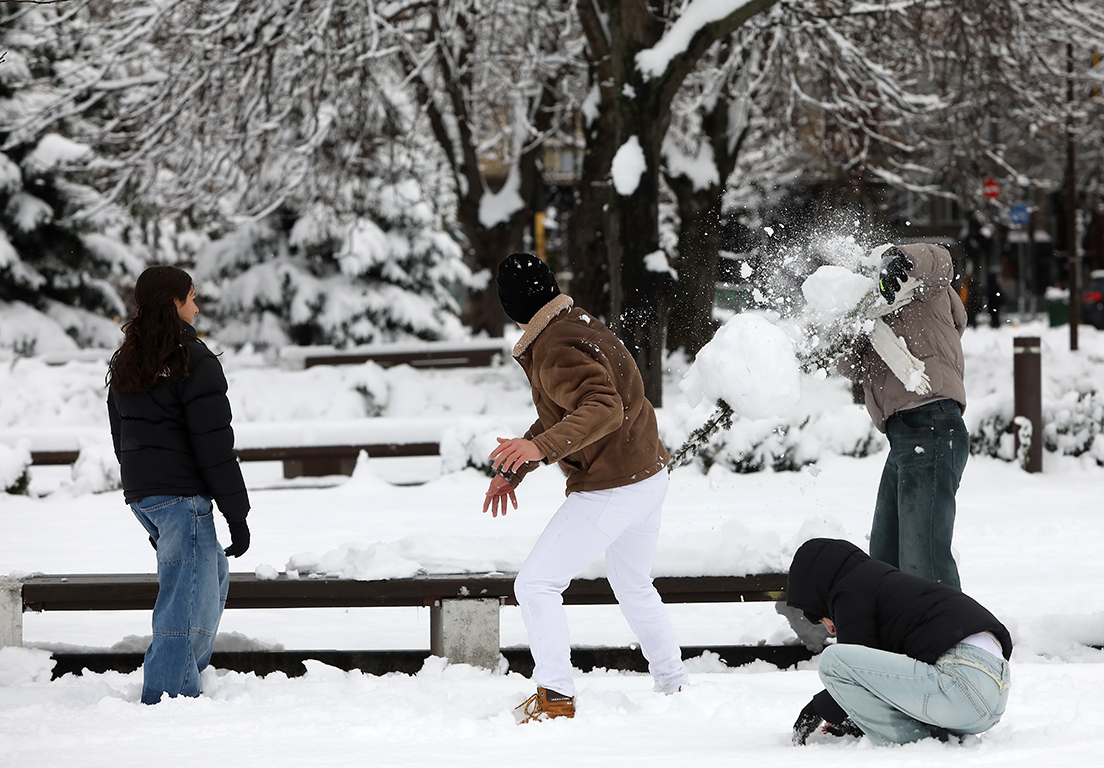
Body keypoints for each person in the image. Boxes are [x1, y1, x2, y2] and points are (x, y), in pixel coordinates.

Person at [483, 253, 688, 723]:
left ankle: (555, 696)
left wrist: (539, 450)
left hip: (613, 484)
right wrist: (518, 463)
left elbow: (603, 407)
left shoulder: (555, 346)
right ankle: (674, 685)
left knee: (535, 584)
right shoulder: (575, 321)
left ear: (511, 306)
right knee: (633, 584)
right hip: (646, 475)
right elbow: (567, 410)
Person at [107, 265, 250, 705]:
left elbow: (120, 434)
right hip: (179, 498)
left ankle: (187, 668)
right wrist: (236, 514)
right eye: (191, 296)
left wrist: (143, 494)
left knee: (211, 577)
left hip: (146, 496)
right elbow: (214, 446)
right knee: (181, 602)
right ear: (174, 302)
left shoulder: (128, 358)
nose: (197, 305)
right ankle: (169, 695)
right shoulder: (192, 359)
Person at [786, 538, 1012, 746]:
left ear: (817, 589)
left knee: (833, 661)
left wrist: (816, 708)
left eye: (822, 616)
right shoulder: (882, 582)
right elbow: (882, 675)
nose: (831, 628)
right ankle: (935, 738)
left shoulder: (850, 588)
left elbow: (853, 664)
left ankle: (912, 741)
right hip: (993, 695)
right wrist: (857, 718)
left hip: (960, 683)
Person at [840, 243, 968, 588]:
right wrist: (841, 325)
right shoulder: (872, 312)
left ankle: (951, 638)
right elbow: (849, 366)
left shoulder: (920, 288)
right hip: (904, 437)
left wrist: (900, 259)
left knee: (924, 564)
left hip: (933, 425)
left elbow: (939, 260)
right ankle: (899, 638)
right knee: (886, 563)